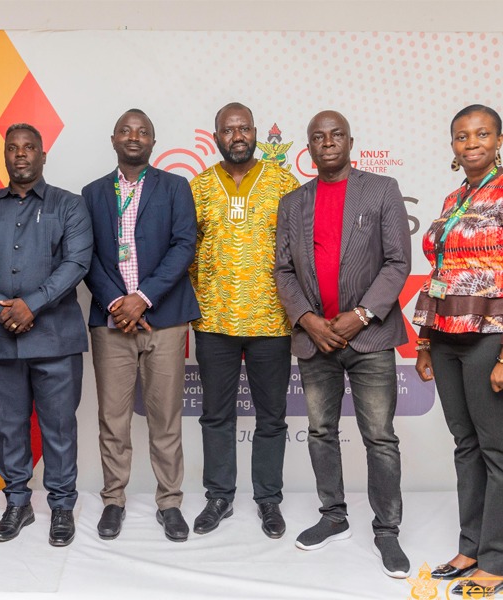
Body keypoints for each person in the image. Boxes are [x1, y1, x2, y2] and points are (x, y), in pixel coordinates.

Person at [274, 110, 412, 578]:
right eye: (318, 137)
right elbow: (283, 271)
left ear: (351, 141)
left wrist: (360, 316)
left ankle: (387, 531)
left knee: (380, 436)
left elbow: (396, 263)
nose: (327, 142)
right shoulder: (293, 202)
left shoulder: (382, 190)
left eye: (335, 135)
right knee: (320, 432)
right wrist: (309, 321)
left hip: (370, 337)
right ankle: (333, 516)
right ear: (308, 148)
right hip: (317, 341)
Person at [0, 123, 93, 546]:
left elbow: (76, 264)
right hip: (1, 340)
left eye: (29, 147)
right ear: (5, 156)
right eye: (13, 148)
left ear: (43, 155)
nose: (21, 154)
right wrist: (1, 306)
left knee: (58, 427)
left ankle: (61, 507)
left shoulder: (69, 205)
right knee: (10, 427)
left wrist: (30, 304)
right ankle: (17, 503)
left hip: (56, 339)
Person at [82, 109, 199, 542]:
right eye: (126, 131)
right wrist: (117, 303)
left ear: (154, 141)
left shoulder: (174, 187)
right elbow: (85, 254)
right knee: (112, 419)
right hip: (111, 323)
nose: (134, 137)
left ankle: (169, 503)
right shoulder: (91, 193)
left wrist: (142, 299)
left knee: (165, 418)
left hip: (164, 320)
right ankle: (113, 500)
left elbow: (183, 245)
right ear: (113, 138)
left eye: (143, 131)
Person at [190, 102, 300, 539]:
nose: (237, 136)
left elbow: (298, 249)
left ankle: (268, 500)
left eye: (244, 128)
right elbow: (186, 252)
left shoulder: (283, 181)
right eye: (227, 129)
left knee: (271, 416)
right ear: (215, 136)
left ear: (255, 132)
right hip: (213, 318)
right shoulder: (198, 186)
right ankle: (219, 496)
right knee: (216, 415)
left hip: (272, 320)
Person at [414, 104, 503, 596]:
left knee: (495, 450)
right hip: (446, 336)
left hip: (491, 335)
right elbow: (438, 275)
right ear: (452, 146)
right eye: (462, 136)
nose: (471, 143)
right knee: (465, 445)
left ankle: (496, 557)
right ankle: (470, 546)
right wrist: (426, 341)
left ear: (498, 140)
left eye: (482, 133)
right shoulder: (454, 198)